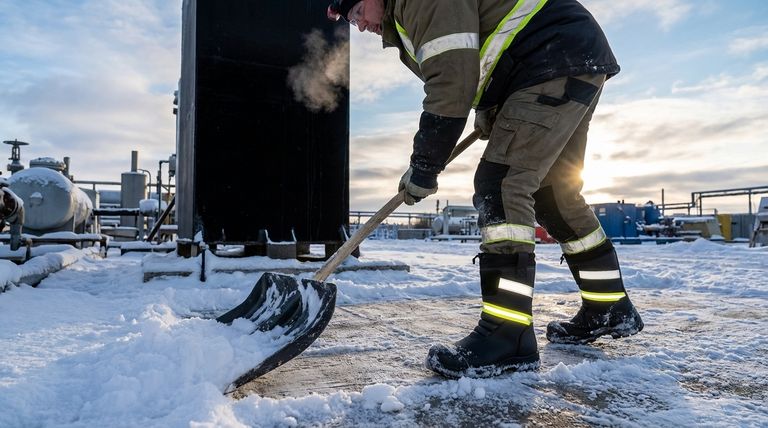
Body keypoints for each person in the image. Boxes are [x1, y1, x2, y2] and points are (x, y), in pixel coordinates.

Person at [327, 0, 643, 378]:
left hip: (550, 58)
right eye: (351, 20)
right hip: (567, 56)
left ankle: (507, 336)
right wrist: (492, 106)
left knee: (502, 183)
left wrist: (424, 165)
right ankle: (608, 305)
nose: (359, 25)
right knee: (552, 193)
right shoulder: (406, 14)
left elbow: (451, 81)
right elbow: (479, 59)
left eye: (358, 11)